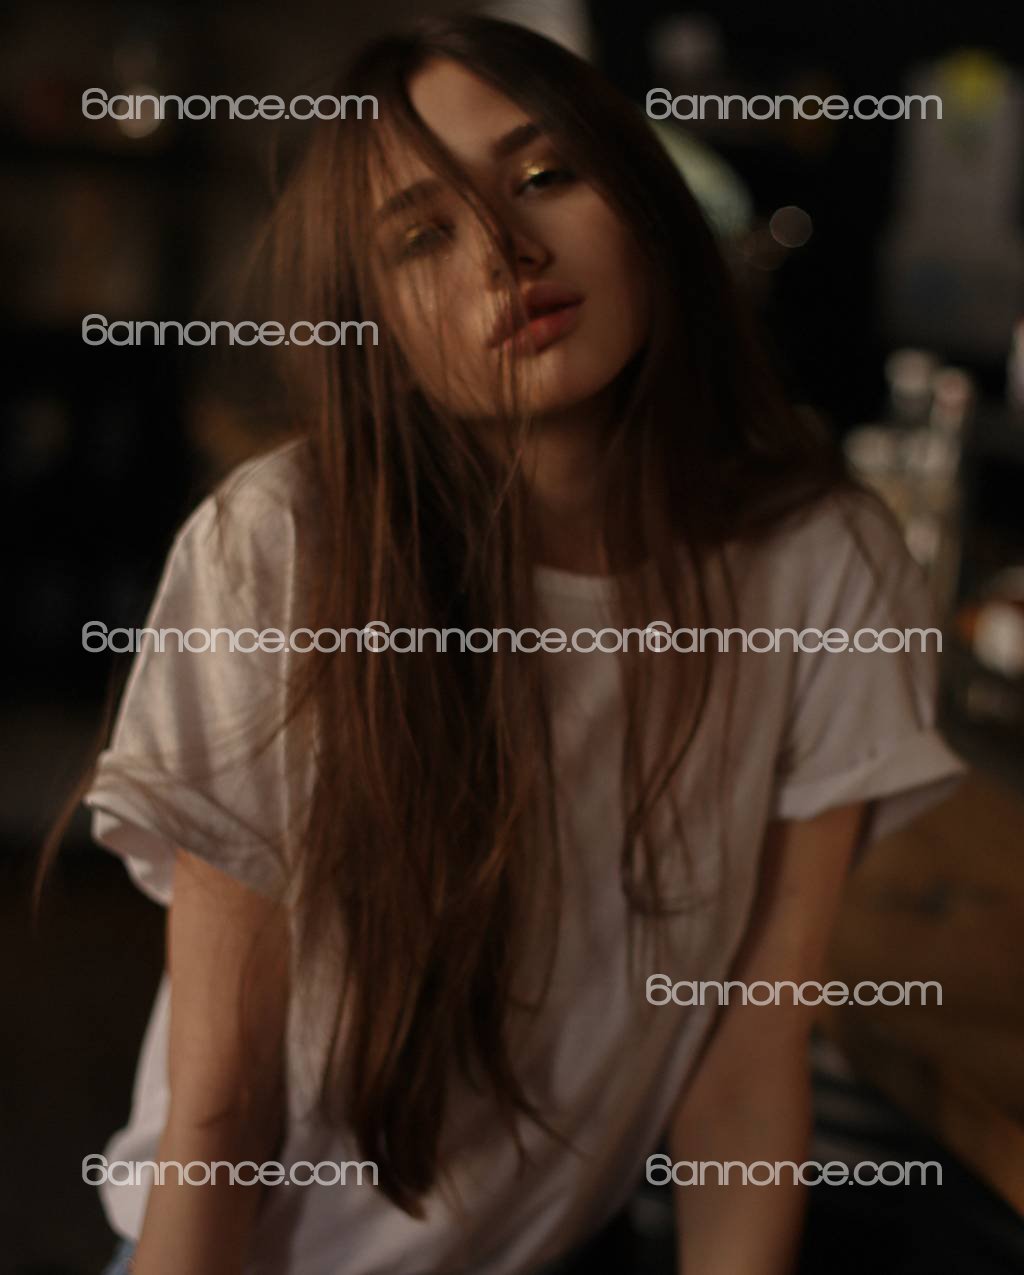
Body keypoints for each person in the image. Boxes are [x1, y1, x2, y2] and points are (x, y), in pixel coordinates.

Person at [54, 14, 965, 1275]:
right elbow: (222, 1111)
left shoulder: (823, 559)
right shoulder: (284, 546)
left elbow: (746, 1069)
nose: (504, 249)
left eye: (544, 175)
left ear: (642, 199)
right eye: (421, 237)